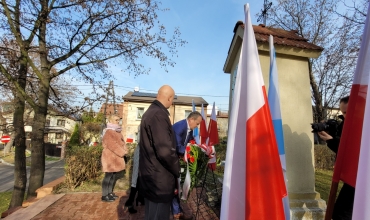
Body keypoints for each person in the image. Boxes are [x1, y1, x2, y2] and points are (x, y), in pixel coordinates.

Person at [139, 85, 180, 220]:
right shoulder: (158, 114)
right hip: (158, 179)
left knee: (152, 214)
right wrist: (177, 169)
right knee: (158, 215)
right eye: (172, 99)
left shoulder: (151, 112)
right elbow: (164, 151)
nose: (172, 102)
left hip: (153, 175)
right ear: (169, 98)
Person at [318, 96, 354, 220]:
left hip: (359, 177)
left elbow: (352, 149)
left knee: (342, 213)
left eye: (348, 112)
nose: (345, 115)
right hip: (352, 177)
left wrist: (331, 141)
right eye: (343, 112)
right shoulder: (345, 123)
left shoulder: (361, 125)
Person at [171, 111, 202, 220]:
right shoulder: (180, 127)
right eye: (197, 123)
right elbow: (177, 146)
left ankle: (178, 211)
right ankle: (176, 213)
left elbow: (188, 143)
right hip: (172, 161)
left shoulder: (189, 129)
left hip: (179, 161)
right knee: (175, 188)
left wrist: (198, 148)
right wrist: (192, 152)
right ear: (191, 120)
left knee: (178, 187)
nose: (197, 126)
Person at [101, 114, 128, 202]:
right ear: (111, 121)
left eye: (118, 120)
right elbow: (112, 145)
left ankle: (109, 193)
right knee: (108, 176)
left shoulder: (117, 131)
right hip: (109, 158)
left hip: (115, 158)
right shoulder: (109, 131)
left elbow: (122, 143)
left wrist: (125, 148)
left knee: (113, 176)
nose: (118, 121)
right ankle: (105, 195)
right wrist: (122, 152)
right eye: (116, 120)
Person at [124, 127, 145, 214]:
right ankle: (130, 202)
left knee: (143, 177)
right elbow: (141, 140)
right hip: (141, 152)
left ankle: (140, 198)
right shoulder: (144, 124)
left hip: (146, 154)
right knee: (136, 178)